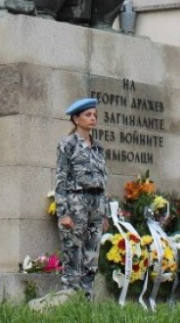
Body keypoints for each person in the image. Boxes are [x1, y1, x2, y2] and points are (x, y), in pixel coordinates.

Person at [54, 97, 109, 297]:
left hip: (96, 204)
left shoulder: (98, 147)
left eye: (94, 115)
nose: (92, 118)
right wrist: (63, 213)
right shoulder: (67, 144)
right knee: (73, 253)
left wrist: (105, 215)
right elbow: (61, 178)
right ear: (76, 119)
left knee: (91, 255)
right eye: (88, 115)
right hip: (76, 203)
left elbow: (104, 180)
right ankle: (69, 298)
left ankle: (86, 301)